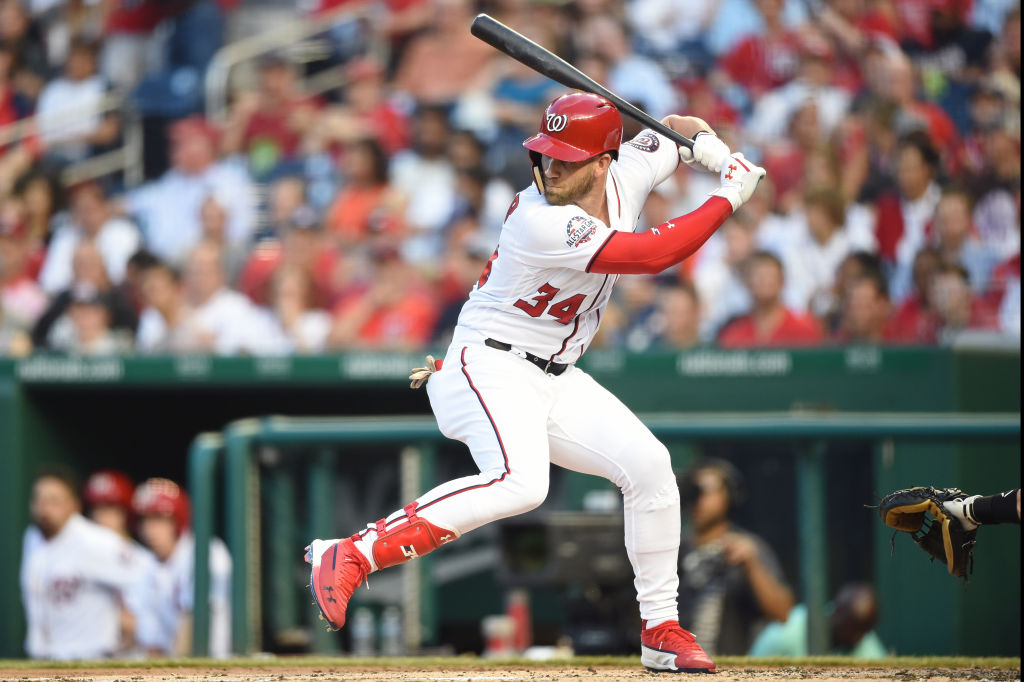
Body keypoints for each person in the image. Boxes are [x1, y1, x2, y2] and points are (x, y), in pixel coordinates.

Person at [305, 91, 766, 674]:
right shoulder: (537, 218)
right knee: (523, 484)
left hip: (553, 373)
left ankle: (660, 629)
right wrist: (727, 192)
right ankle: (352, 553)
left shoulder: (629, 168)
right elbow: (651, 256)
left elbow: (675, 125)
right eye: (546, 155)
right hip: (488, 363)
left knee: (651, 467)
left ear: (604, 161)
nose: (552, 167)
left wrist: (701, 146)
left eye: (568, 158)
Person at [20, 466, 143, 659]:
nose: (45, 508)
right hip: (44, 659)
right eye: (40, 500)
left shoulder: (97, 541)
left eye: (54, 501)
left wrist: (135, 625)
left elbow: (147, 580)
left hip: (90, 659)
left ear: (73, 505)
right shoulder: (32, 538)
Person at [677, 458, 795, 656]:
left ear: (728, 496)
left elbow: (783, 613)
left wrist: (752, 565)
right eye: (693, 491)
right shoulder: (671, 547)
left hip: (728, 667)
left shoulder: (747, 547)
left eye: (706, 491)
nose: (698, 498)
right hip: (673, 665)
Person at [132, 477, 232, 658]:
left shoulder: (205, 552)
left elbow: (191, 625)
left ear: (178, 520)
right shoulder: (146, 566)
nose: (149, 529)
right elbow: (153, 646)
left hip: (218, 664)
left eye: (159, 519)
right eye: (144, 520)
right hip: (177, 666)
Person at [748, 582, 887, 658]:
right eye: (851, 628)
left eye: (862, 631)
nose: (857, 637)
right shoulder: (789, 631)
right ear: (835, 611)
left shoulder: (868, 649)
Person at [717, 251, 823, 347]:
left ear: (782, 281)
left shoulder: (804, 329)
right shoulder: (734, 333)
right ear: (747, 283)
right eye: (758, 276)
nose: (764, 281)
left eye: (769, 275)